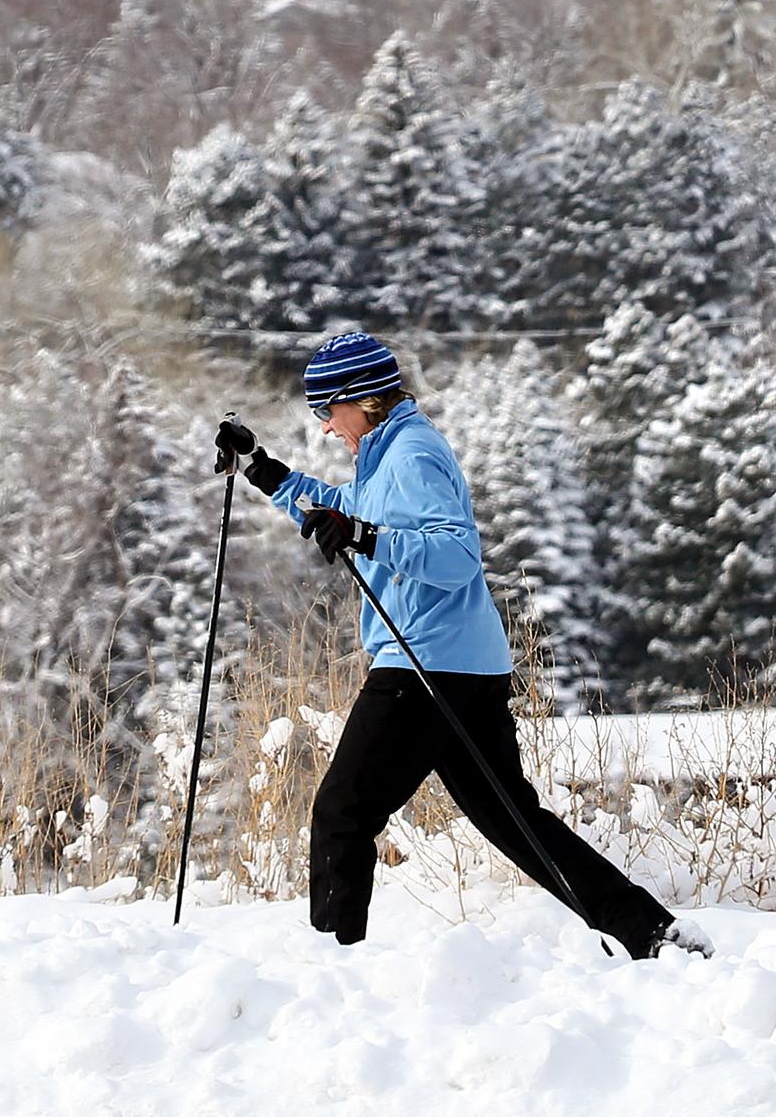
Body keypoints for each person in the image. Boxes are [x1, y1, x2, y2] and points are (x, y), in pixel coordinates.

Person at [214, 329, 698, 959]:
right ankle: (653, 935)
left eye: (327, 410)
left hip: (424, 663)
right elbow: (345, 510)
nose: (327, 427)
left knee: (343, 811)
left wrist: (363, 535)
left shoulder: (411, 455)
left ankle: (333, 966)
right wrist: (263, 469)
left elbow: (455, 556)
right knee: (515, 823)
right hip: (462, 664)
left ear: (362, 399)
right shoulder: (386, 454)